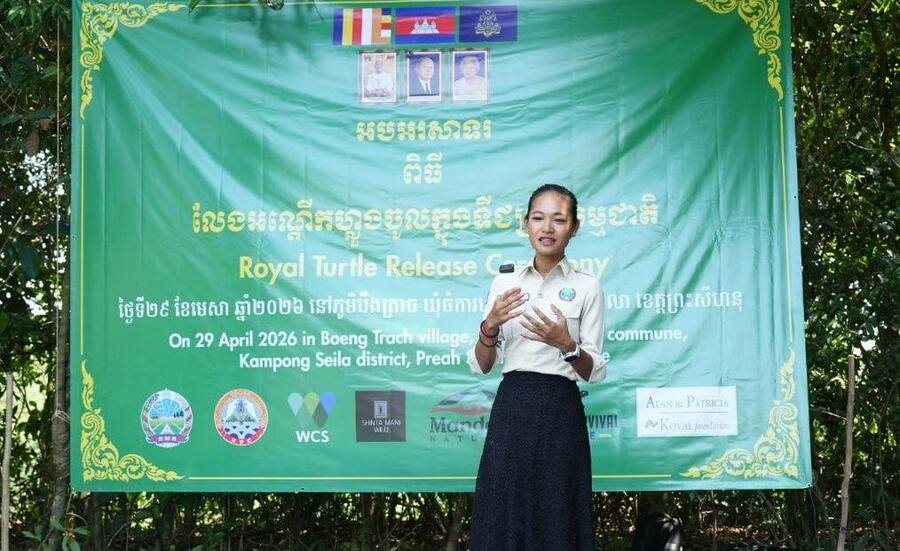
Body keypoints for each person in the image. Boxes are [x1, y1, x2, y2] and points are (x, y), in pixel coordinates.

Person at [468, 183, 606, 550]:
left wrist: (566, 343)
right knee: (503, 510)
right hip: (512, 406)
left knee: (556, 508)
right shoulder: (505, 282)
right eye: (538, 218)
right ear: (526, 224)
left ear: (573, 227)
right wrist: (489, 326)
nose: (547, 228)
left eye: (558, 220)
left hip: (560, 408)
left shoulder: (587, 286)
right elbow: (483, 365)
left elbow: (594, 371)